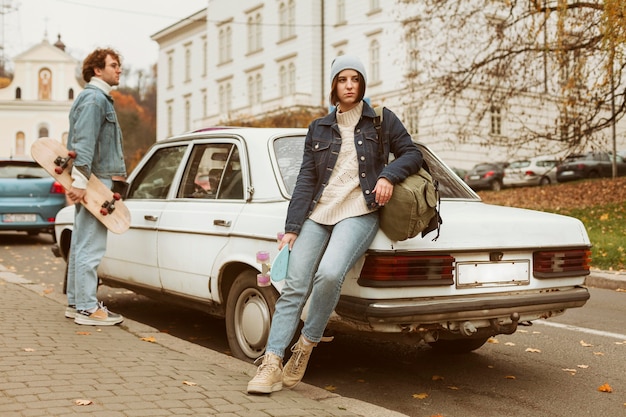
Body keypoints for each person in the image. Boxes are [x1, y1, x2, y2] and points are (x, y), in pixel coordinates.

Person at [247, 55, 423, 394]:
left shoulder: (381, 121)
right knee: (295, 285)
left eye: (355, 79)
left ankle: (306, 345)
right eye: (342, 79)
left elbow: (412, 154)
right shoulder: (319, 128)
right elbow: (306, 179)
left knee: (329, 274)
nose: (349, 85)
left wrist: (388, 175)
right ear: (333, 86)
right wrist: (292, 228)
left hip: (359, 211)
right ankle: (271, 362)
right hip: (319, 213)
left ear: (363, 84)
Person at [64, 48, 127, 326]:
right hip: (94, 180)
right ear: (97, 70)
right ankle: (88, 309)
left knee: (81, 243)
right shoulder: (94, 99)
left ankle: (77, 303)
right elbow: (84, 143)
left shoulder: (94, 98)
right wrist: (80, 183)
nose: (119, 69)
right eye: (114, 65)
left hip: (90, 178)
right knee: (91, 246)